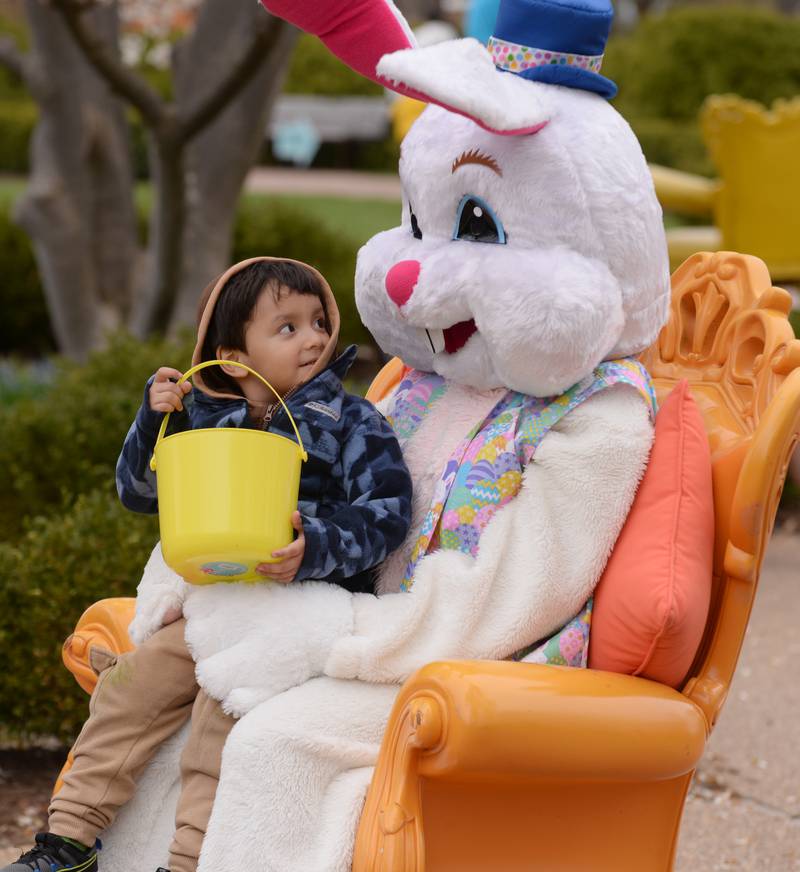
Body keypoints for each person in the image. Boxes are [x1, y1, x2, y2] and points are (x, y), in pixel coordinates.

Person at [4, 257, 412, 872]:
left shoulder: (352, 421)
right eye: (288, 328)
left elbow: (389, 511)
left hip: (293, 611)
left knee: (219, 716)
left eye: (319, 323)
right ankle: (66, 844)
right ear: (233, 359)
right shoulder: (202, 421)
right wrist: (154, 419)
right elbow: (140, 493)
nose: (315, 338)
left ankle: (189, 859)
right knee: (128, 692)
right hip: (216, 599)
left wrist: (318, 544)